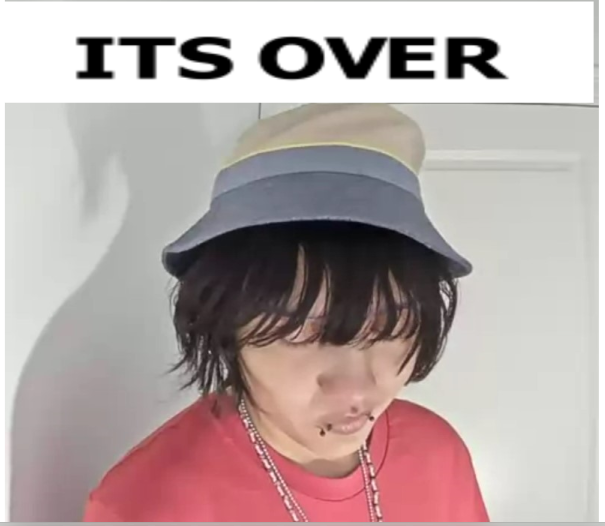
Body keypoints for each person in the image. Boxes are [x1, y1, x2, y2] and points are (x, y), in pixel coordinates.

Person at [83, 103, 489, 522]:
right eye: (300, 331)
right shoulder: (151, 505)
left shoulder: (436, 452)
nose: (355, 389)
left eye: (393, 324)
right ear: (226, 323)